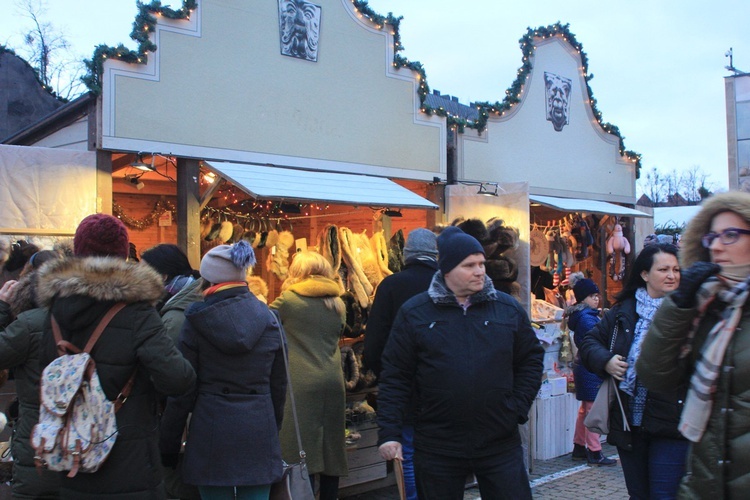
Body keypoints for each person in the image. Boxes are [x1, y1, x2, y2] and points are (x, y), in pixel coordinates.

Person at [377, 226, 544, 500]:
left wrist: (515, 408)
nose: (480, 270)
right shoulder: (416, 312)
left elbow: (530, 359)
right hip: (438, 443)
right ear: (447, 269)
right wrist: (390, 432)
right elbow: (396, 375)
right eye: (469, 265)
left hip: (499, 441)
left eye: (481, 263)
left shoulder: (506, 308)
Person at [37, 213, 196, 499]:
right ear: (124, 254)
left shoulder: (53, 311)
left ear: (78, 251)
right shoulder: (137, 312)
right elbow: (177, 379)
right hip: (130, 465)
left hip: (70, 458)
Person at [636, 191, 750, 499]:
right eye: (712, 236)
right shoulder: (709, 307)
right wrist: (679, 304)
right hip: (708, 483)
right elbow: (654, 374)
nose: (715, 246)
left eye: (730, 235)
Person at [160, 240, 287, 500]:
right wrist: (271, 430)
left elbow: (184, 389)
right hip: (258, 431)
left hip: (210, 434)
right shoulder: (270, 318)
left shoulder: (195, 319)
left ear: (208, 280)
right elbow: (279, 385)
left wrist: (168, 444)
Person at [578, 242, 685, 499]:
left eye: (676, 269)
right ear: (645, 274)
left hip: (671, 422)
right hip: (629, 424)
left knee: (664, 494)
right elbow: (589, 343)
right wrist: (606, 360)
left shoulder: (687, 312)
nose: (672, 275)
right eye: (663, 269)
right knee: (638, 494)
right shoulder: (623, 312)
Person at [364, 227, 438, 500]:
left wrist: (387, 374)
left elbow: (374, 342)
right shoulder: (446, 284)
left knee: (406, 452)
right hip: (441, 385)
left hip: (404, 385)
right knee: (437, 451)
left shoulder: (391, 285)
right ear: (435, 254)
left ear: (406, 255)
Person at [270, 251, 348, 500]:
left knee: (298, 447)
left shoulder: (289, 301)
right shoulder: (338, 303)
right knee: (330, 448)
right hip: (333, 380)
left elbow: (260, 321)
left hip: (300, 382)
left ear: (297, 272)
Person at [141, 244, 202, 500]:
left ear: (162, 276)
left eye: (144, 272)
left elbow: (170, 376)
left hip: (181, 417)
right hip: (193, 416)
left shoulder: (176, 315)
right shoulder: (182, 300)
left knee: (177, 484)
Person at [0, 250, 62, 499]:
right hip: (89, 438)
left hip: (38, 437)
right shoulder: (98, 318)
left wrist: (3, 308)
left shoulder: (29, 323)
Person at [565, 272, 616, 466]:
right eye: (592, 296)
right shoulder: (587, 319)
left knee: (585, 409)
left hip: (584, 365)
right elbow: (597, 342)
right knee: (592, 409)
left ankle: (579, 447)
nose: (597, 299)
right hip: (589, 366)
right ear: (583, 299)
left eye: (597, 296)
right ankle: (594, 451)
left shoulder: (586, 315)